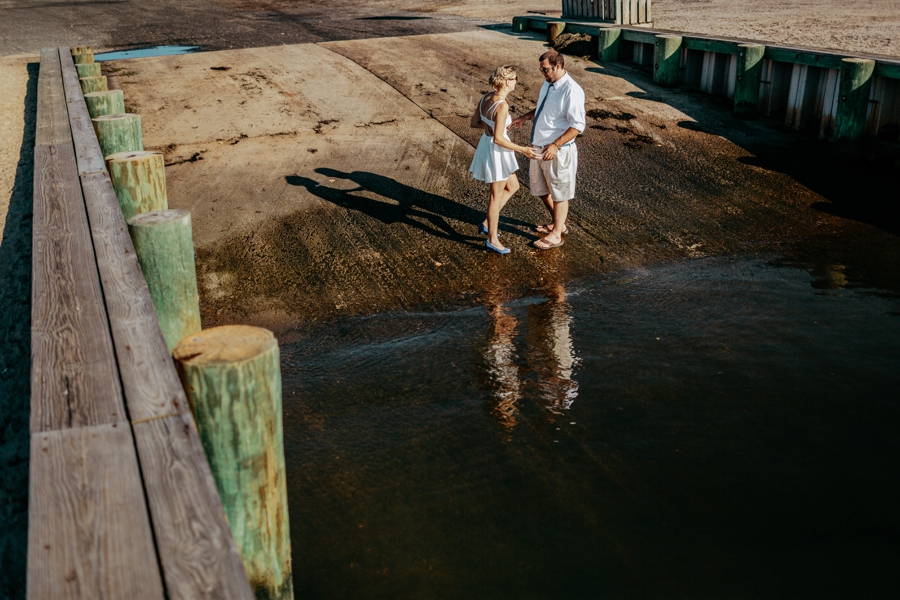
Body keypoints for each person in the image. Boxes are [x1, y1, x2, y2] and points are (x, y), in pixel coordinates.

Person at [511, 50, 586, 250]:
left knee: (560, 193)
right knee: (541, 190)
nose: (542, 73)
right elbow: (545, 109)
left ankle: (556, 235)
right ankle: (558, 224)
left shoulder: (571, 90)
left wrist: (556, 144)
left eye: (545, 70)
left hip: (558, 151)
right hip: (539, 147)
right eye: (541, 70)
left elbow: (578, 126)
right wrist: (526, 117)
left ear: (558, 66)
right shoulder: (549, 83)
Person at [469, 65, 540, 254]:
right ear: (507, 82)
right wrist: (523, 149)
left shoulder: (485, 98)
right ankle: (492, 239)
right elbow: (499, 139)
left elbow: (474, 122)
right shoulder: (502, 105)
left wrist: (489, 126)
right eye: (515, 78)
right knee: (495, 196)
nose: (517, 81)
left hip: (488, 145)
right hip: (497, 151)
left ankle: (487, 222)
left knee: (513, 186)